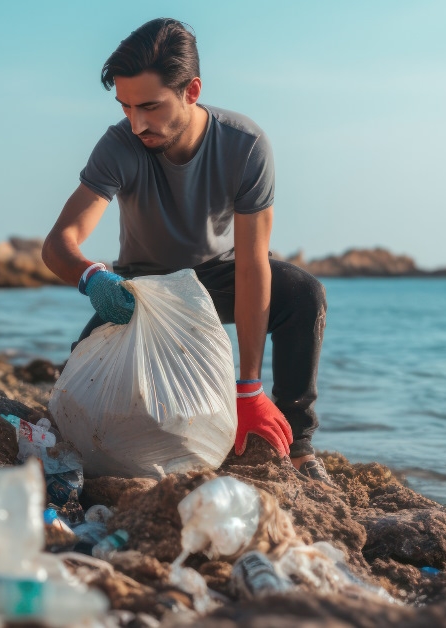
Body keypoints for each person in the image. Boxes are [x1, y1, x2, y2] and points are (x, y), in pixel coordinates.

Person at [41, 18, 332, 484]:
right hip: (141, 293)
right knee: (82, 402)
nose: (136, 123)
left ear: (191, 90)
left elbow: (254, 266)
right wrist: (94, 279)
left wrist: (249, 388)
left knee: (303, 295)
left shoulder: (245, 145)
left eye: (150, 107)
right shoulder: (119, 146)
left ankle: (297, 447)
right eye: (125, 106)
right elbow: (58, 244)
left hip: (217, 279)